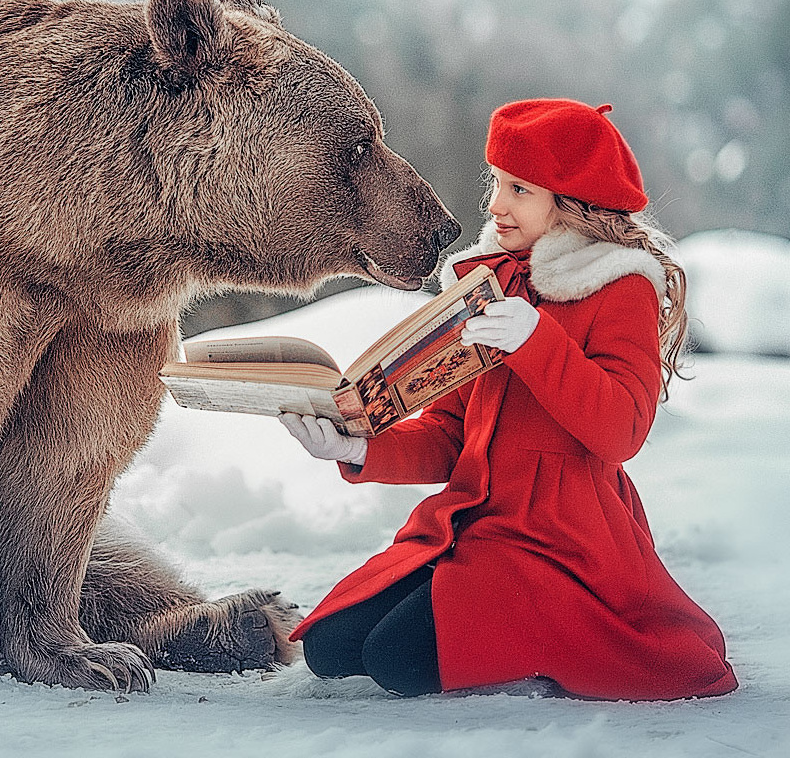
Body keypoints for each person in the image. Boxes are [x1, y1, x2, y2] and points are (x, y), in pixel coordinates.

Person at [277, 98, 737, 701]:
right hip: (473, 525)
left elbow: (621, 431)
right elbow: (449, 435)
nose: (495, 205)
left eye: (519, 188)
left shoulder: (620, 287)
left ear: (569, 201)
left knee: (394, 659)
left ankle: (554, 632)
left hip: (562, 542)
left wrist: (537, 341)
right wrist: (360, 447)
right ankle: (477, 606)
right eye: (496, 183)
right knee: (329, 647)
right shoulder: (488, 282)